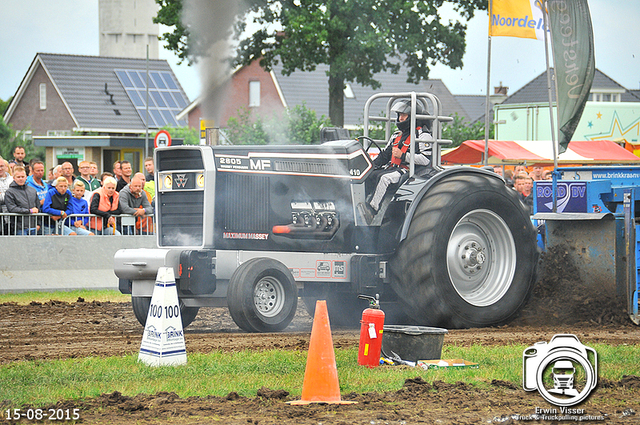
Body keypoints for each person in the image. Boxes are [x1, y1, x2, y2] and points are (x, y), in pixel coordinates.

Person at [359, 99, 433, 223]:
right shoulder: (396, 135)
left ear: (412, 116)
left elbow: (425, 160)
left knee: (385, 178)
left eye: (403, 115)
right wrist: (371, 165)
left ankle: (371, 211)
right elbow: (385, 155)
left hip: (409, 171)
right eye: (399, 115)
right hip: (393, 167)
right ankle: (359, 206)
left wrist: (403, 156)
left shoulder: (423, 135)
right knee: (370, 174)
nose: (400, 118)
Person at [4, 166, 40, 235]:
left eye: (22, 176)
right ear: (14, 178)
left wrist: (38, 224)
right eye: (18, 177)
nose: (21, 179)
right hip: (19, 227)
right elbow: (12, 208)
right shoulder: (9, 192)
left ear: (26, 177)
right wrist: (29, 211)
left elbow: (38, 207)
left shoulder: (32, 190)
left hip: (33, 226)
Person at [0, 158, 14, 234]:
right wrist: (10, 196)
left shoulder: (12, 180)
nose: (0, 168)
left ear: (6, 167)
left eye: (2, 166)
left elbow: (17, 197)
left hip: (12, 218)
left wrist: (2, 195)